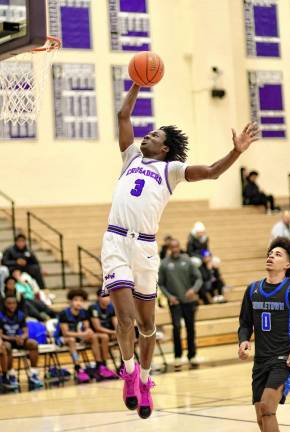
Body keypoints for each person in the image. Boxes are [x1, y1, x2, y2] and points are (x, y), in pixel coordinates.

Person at [100, 82, 259, 419]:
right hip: (115, 240)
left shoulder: (170, 170)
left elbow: (213, 173)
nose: (146, 136)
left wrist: (237, 152)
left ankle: (144, 378)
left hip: (144, 246)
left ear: (165, 147)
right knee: (125, 318)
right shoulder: (130, 156)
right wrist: (137, 84)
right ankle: (128, 372)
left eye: (154, 135)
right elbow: (123, 114)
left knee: (146, 326)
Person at [238, 237, 290, 432]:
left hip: (283, 360)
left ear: (288, 264)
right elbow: (245, 322)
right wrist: (243, 340)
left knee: (267, 409)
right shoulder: (253, 290)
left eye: (278, 254)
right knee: (261, 418)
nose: (271, 256)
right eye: (270, 253)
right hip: (260, 361)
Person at [159, 239, 202, 369]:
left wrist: (193, 290)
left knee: (190, 328)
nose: (175, 249)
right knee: (176, 328)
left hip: (189, 302)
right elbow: (160, 283)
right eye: (172, 247)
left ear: (179, 247)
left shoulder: (187, 260)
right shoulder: (164, 264)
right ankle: (177, 356)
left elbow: (199, 278)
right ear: (169, 249)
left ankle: (192, 355)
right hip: (175, 303)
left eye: (177, 246)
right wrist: (169, 296)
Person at [57, 288, 110, 383]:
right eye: (76, 300)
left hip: (78, 336)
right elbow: (66, 333)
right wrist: (82, 334)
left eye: (81, 300)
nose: (79, 303)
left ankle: (101, 365)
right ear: (70, 301)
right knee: (71, 340)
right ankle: (78, 368)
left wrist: (88, 331)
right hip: (62, 339)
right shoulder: (64, 313)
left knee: (97, 337)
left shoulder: (84, 312)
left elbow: (87, 327)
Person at [0, 295, 44, 390]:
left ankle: (33, 373)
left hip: (18, 340)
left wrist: (22, 337)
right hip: (6, 340)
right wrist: (13, 338)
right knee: (7, 346)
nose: (12, 305)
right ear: (5, 304)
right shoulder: (1, 315)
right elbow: (1, 335)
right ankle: (10, 374)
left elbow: (25, 332)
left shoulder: (20, 315)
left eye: (14, 303)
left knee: (33, 343)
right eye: (9, 303)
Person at [88, 289, 118, 379]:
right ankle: (101, 365)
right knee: (104, 337)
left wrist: (117, 331)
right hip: (96, 334)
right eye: (103, 296)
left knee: (125, 336)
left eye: (108, 296)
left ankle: (124, 364)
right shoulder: (93, 308)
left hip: (109, 333)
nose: (106, 298)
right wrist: (113, 332)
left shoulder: (112, 307)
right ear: (98, 298)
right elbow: (97, 328)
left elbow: (116, 323)